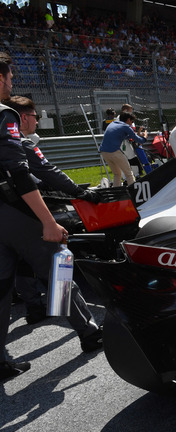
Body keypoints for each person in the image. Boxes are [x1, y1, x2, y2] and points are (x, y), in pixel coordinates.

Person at [0, 52, 92, 381]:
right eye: (9, 78)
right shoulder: (5, 114)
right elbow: (21, 172)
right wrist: (49, 222)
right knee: (59, 265)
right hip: (15, 210)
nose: (12, 83)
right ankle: (88, 330)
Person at [4, 95, 103, 350]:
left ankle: (35, 309)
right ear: (24, 117)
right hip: (22, 213)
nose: (36, 121)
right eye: (35, 116)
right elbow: (47, 170)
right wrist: (80, 193)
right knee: (59, 265)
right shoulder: (20, 141)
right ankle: (88, 332)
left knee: (10, 273)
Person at [98, 111, 148, 187]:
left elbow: (124, 136)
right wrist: (145, 137)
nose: (132, 123)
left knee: (117, 174)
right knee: (129, 173)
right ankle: (134, 191)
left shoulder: (113, 124)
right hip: (114, 151)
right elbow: (139, 140)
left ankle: (116, 192)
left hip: (103, 152)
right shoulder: (126, 126)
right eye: (132, 121)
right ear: (128, 120)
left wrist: (135, 135)